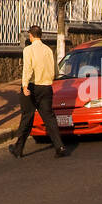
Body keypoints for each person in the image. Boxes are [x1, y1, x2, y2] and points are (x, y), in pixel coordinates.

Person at [10, 25, 70, 160]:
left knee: (27, 117)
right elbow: (55, 71)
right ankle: (59, 146)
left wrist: (24, 85)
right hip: (46, 87)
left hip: (33, 86)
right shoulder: (48, 50)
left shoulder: (28, 50)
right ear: (41, 35)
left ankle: (18, 149)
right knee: (49, 118)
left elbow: (28, 68)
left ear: (31, 36)